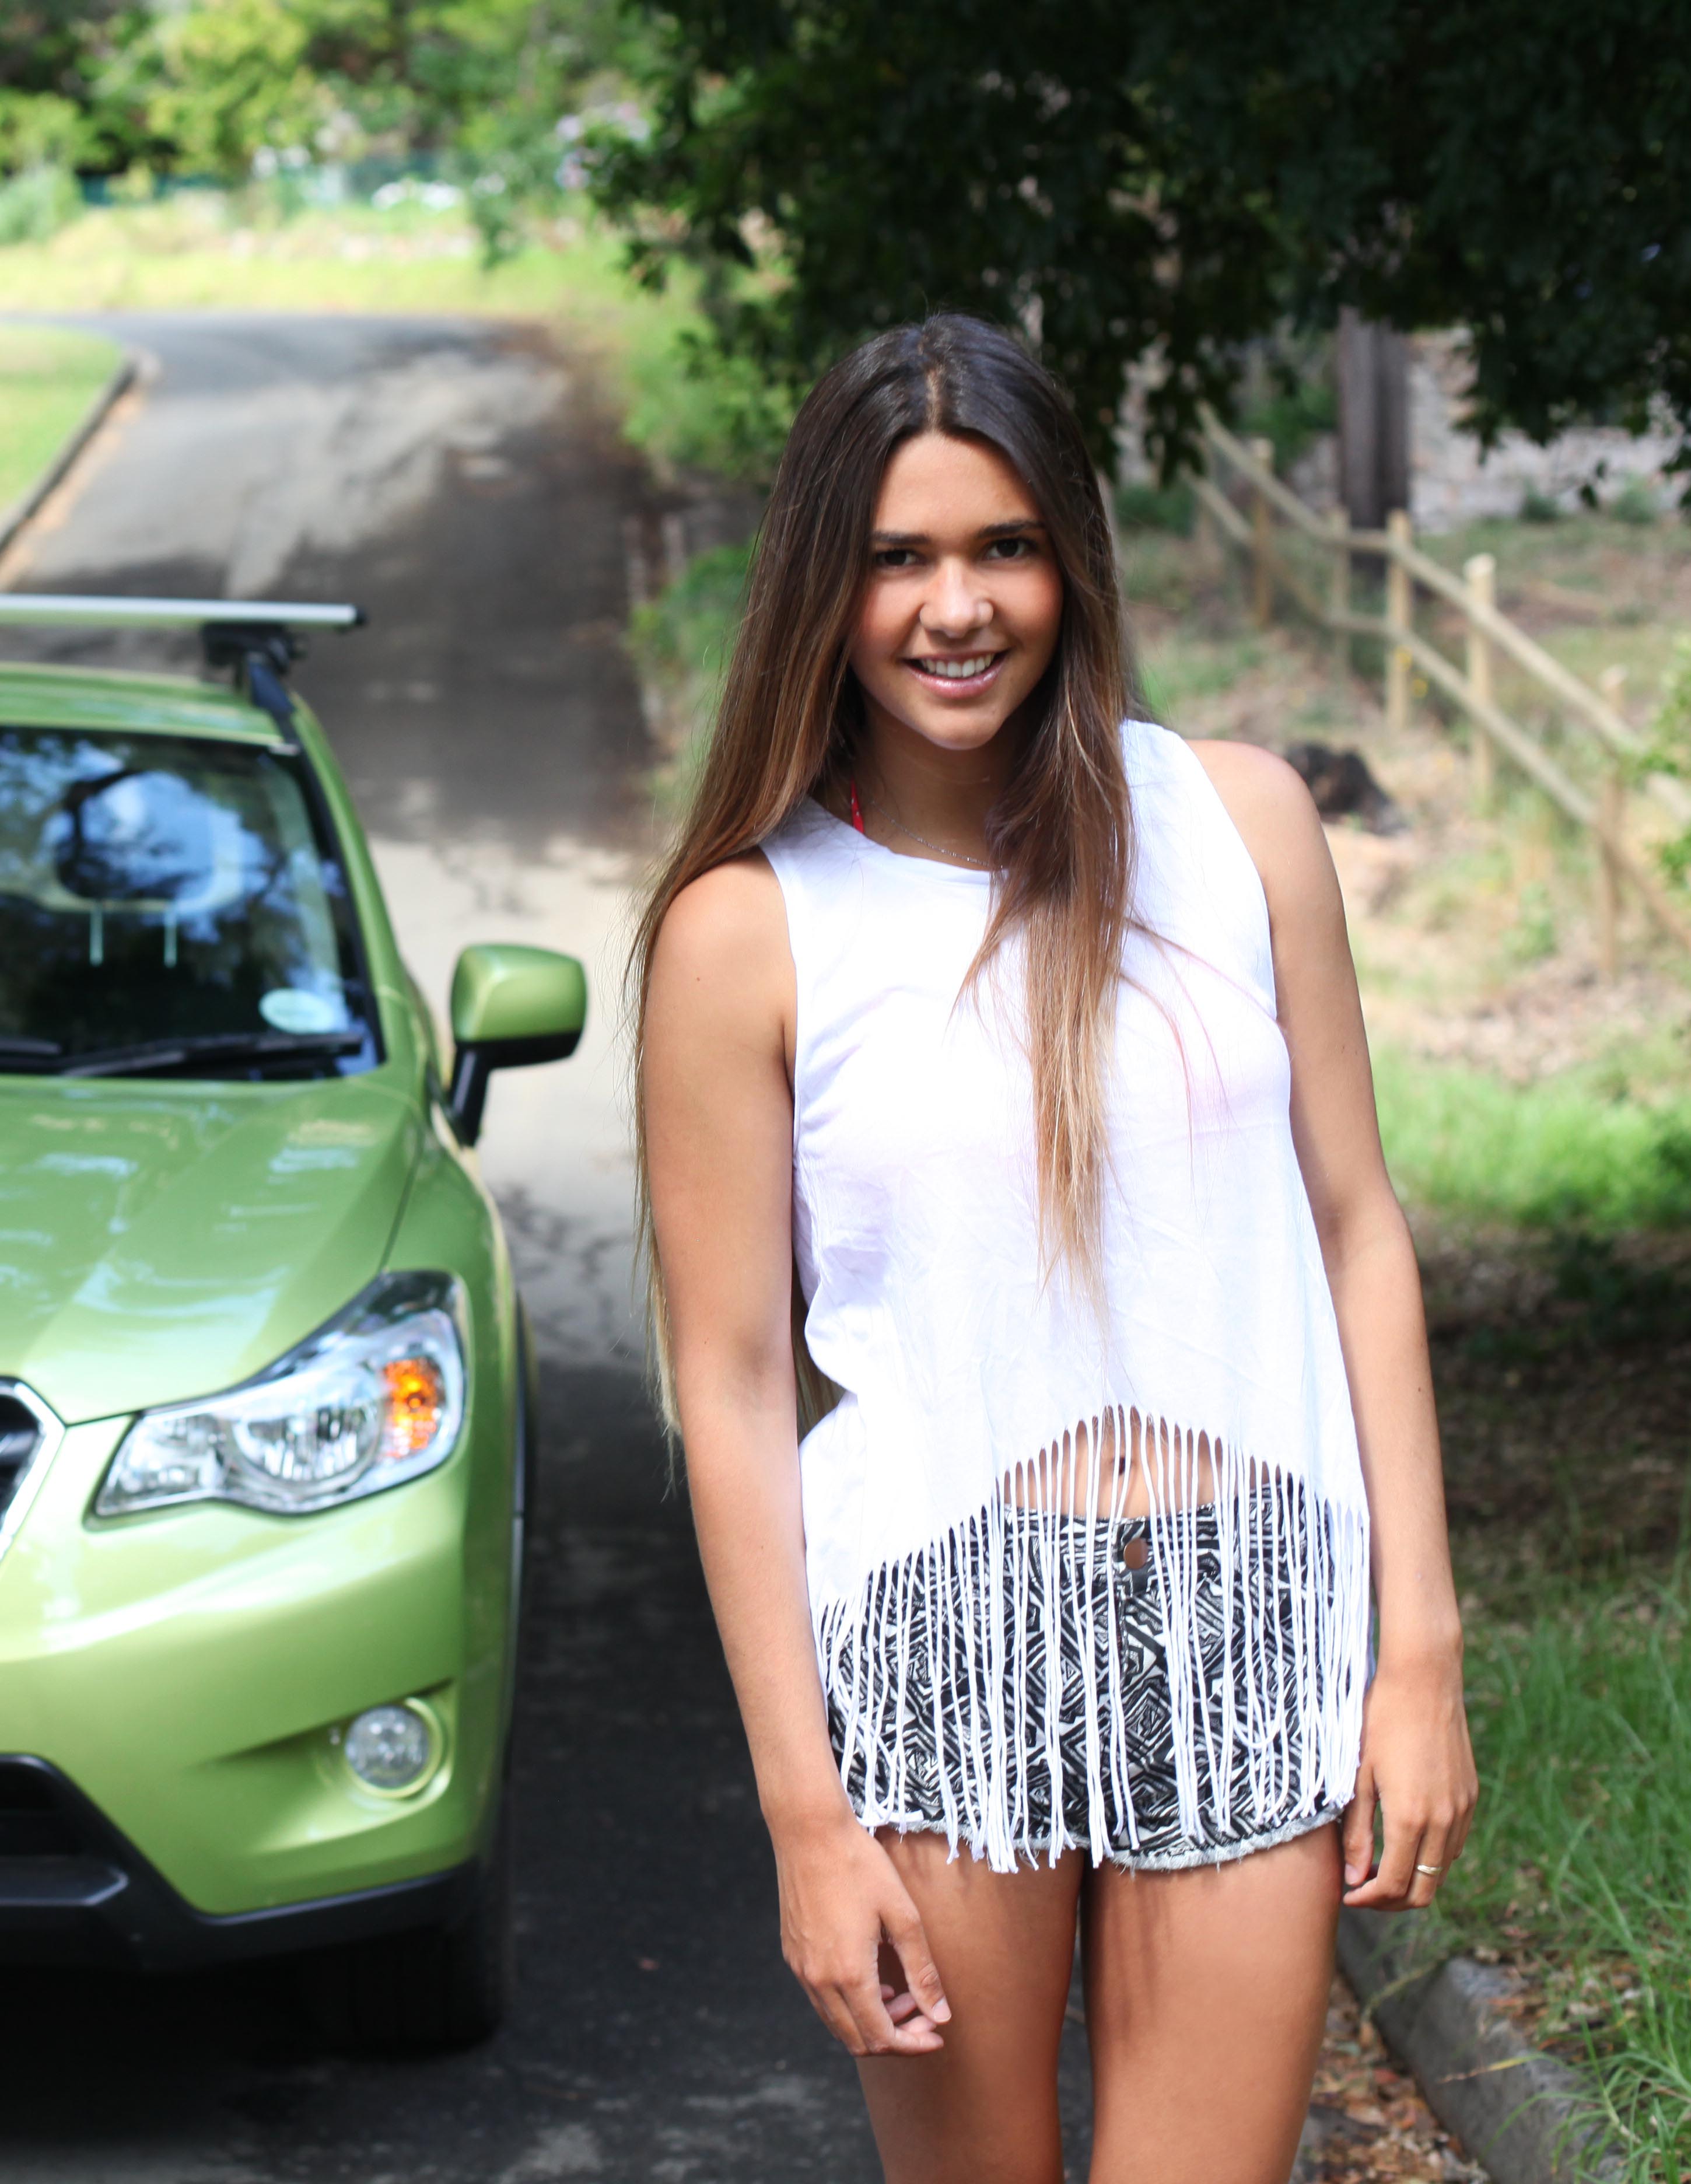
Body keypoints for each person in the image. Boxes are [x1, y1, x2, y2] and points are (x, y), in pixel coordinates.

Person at [633, 316, 1476, 2182]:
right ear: (823, 587)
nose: (958, 607)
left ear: (1071, 560)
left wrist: (1416, 1648)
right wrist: (805, 1817)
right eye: (898, 557)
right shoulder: (750, 932)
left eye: (1002, 546)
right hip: (944, 1635)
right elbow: (734, 1383)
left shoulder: (1240, 827)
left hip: (1251, 1608)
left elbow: (1357, 1229)